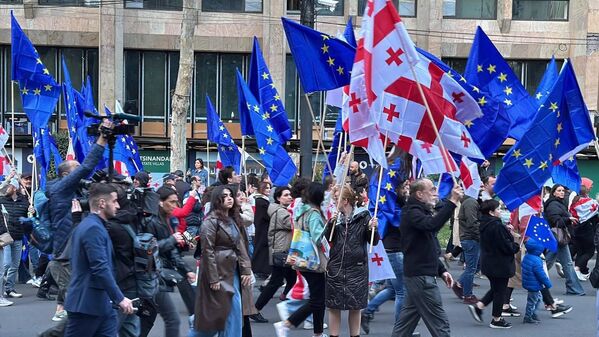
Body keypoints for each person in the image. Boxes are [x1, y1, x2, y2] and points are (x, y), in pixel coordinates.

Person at [46, 119, 113, 322]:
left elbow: (86, 202)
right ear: (66, 175)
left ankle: (62, 310)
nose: (81, 171)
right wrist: (102, 139)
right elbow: (85, 168)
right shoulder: (59, 190)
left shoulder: (72, 192)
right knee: (77, 305)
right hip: (65, 253)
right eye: (75, 169)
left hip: (72, 249)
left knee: (73, 303)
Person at [392, 179, 462, 337]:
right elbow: (432, 225)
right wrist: (452, 202)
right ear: (419, 194)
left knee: (405, 325)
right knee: (440, 324)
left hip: (418, 275)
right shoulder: (412, 213)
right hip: (421, 278)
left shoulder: (418, 212)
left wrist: (442, 270)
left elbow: (425, 248)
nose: (435, 192)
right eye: (431, 189)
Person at [64, 183, 134, 337]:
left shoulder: (92, 225)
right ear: (102, 203)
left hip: (100, 304)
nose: (117, 205)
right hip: (86, 305)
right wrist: (120, 298)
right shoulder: (93, 228)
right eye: (114, 201)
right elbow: (100, 268)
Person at [193, 185, 253, 337]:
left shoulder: (233, 220)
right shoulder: (210, 222)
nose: (229, 198)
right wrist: (213, 278)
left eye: (230, 195)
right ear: (217, 200)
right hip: (218, 271)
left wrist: (246, 269)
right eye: (225, 196)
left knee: (234, 310)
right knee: (216, 315)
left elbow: (240, 246)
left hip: (232, 270)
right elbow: (207, 251)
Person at [274, 182, 328, 337]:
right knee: (317, 300)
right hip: (313, 260)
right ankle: (286, 324)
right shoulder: (314, 214)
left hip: (301, 258)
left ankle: (318, 333)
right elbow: (318, 238)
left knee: (318, 299)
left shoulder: (301, 210)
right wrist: (330, 227)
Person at [140, 187, 196, 337]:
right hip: (153, 275)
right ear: (160, 202)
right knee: (171, 319)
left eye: (176, 202)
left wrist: (186, 269)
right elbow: (149, 249)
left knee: (146, 320)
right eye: (171, 202)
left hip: (158, 272)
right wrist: (172, 240)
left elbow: (173, 246)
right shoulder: (153, 221)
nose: (174, 205)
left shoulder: (167, 219)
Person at [325, 186, 379, 337]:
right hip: (336, 268)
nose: (334, 201)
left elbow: (373, 241)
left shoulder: (363, 216)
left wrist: (372, 228)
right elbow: (327, 238)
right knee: (334, 306)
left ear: (346, 200)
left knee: (355, 307)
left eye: (336, 199)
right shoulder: (335, 217)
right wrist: (331, 224)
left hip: (357, 269)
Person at [361, 180, 409, 334]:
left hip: (390, 248)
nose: (407, 189)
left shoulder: (392, 202)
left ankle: (367, 312)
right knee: (401, 291)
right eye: (405, 187)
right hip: (395, 250)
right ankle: (400, 330)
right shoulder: (393, 203)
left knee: (392, 289)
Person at [467, 199, 520, 329]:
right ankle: (496, 319)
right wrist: (515, 245)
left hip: (490, 262)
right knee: (500, 291)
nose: (500, 211)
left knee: (496, 288)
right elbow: (506, 246)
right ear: (491, 212)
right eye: (498, 209)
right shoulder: (497, 226)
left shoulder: (486, 224)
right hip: (499, 263)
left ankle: (479, 307)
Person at [253, 187, 296, 318]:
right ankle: (255, 309)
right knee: (275, 282)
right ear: (278, 198)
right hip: (281, 251)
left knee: (292, 279)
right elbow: (294, 225)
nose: (290, 197)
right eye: (286, 195)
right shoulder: (281, 213)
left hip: (283, 251)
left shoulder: (279, 210)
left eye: (290, 195)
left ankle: (287, 302)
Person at [543, 184, 585, 295]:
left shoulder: (559, 203)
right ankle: (574, 288)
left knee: (548, 262)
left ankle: (536, 281)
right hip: (558, 236)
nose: (562, 192)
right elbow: (555, 220)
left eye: (563, 191)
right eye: (559, 190)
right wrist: (568, 219)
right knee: (566, 263)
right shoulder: (553, 204)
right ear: (554, 192)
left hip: (559, 237)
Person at [1, 179, 31, 299]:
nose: (6, 189)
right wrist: (8, 177)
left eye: (8, 186)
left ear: (14, 188)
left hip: (18, 236)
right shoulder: (2, 200)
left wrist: (31, 212)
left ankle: (9, 288)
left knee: (15, 264)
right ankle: (2, 287)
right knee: (6, 264)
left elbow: (29, 218)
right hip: (6, 236)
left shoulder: (24, 201)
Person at [453, 192, 481, 304]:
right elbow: (472, 223)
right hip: (471, 239)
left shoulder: (469, 201)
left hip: (469, 238)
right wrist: (480, 236)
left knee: (472, 267)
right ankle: (468, 295)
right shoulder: (470, 202)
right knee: (471, 268)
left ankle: (459, 284)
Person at [521, 238, 553, 324]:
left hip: (529, 282)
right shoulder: (537, 261)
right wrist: (548, 284)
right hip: (534, 284)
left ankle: (532, 314)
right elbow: (541, 275)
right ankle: (528, 316)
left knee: (536, 299)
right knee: (533, 301)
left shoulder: (527, 257)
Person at [251, 182, 273, 284]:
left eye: (269, 188)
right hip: (264, 228)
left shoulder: (260, 201)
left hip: (261, 228)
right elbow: (267, 215)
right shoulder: (262, 202)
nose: (269, 190)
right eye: (267, 188)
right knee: (262, 249)